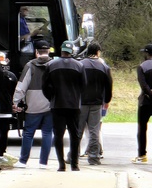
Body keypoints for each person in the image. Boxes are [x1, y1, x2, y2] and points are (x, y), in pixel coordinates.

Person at [42, 40, 87, 171]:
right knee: (75, 135)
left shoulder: (51, 65)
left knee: (58, 135)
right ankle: (74, 164)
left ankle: (61, 164)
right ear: (71, 51)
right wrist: (77, 96)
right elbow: (84, 86)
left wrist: (51, 97)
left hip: (57, 104)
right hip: (74, 105)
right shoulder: (79, 66)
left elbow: (44, 86)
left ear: (61, 50)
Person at [13, 40, 54, 169]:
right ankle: (43, 163)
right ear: (48, 51)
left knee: (28, 133)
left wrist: (15, 102)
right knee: (47, 133)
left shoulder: (30, 65)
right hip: (50, 103)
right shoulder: (54, 65)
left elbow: (21, 87)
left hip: (32, 104)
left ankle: (23, 161)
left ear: (36, 52)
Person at [76, 42, 112, 166]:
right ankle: (93, 157)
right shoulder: (104, 68)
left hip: (81, 101)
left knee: (78, 130)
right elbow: (108, 86)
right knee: (94, 131)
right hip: (96, 102)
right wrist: (106, 100)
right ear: (98, 52)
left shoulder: (80, 65)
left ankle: (73, 156)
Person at [133, 43, 152, 163]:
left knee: (142, 128)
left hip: (145, 101)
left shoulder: (142, 66)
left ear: (147, 53)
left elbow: (143, 86)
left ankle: (142, 155)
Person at [0, 52, 17, 163]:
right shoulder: (11, 76)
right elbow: (14, 93)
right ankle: (1, 154)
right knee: (4, 133)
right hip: (6, 109)